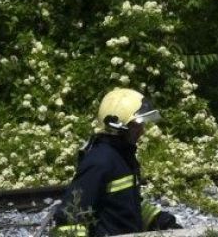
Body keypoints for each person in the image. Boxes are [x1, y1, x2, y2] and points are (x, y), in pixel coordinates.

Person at [53, 88, 180, 237]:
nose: (142, 131)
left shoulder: (122, 156)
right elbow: (71, 216)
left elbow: (128, 204)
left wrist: (162, 221)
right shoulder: (100, 162)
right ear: (117, 126)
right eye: (136, 125)